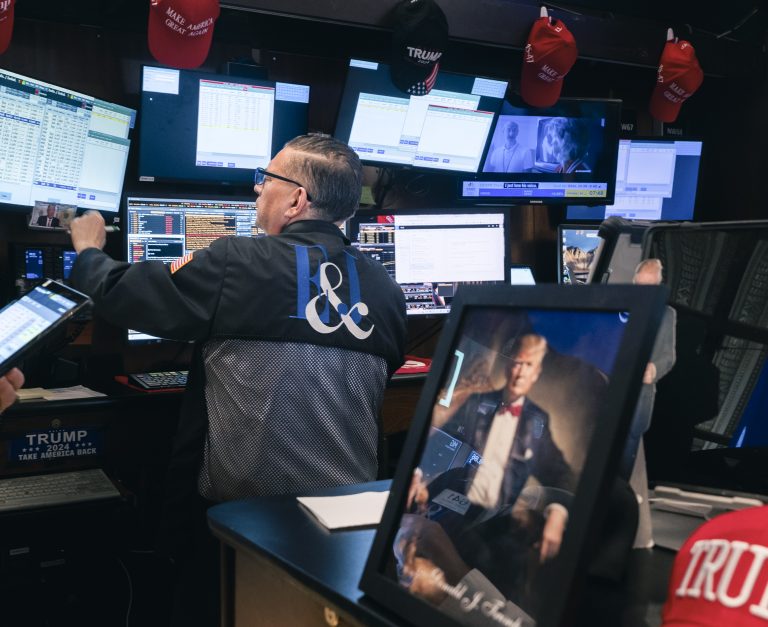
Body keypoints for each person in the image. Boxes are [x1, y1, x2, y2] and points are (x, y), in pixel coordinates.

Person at [68, 134, 408, 626]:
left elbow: (125, 295)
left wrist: (88, 250)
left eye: (266, 181)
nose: (256, 192)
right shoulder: (387, 291)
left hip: (240, 526)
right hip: (344, 533)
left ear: (296, 199)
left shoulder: (237, 263)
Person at [406, 334, 575, 606]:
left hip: (497, 520)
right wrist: (416, 476)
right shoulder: (476, 402)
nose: (520, 372)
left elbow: (561, 473)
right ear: (509, 367)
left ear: (536, 373)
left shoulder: (538, 420)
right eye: (517, 363)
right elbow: (437, 436)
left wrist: (557, 513)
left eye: (528, 365)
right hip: (460, 497)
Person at [621, 258, 676, 550]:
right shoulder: (621, 309)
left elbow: (668, 356)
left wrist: (653, 370)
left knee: (631, 450)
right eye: (639, 287)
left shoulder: (666, 316)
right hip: (612, 390)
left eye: (649, 288)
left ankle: (626, 509)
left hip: (641, 394)